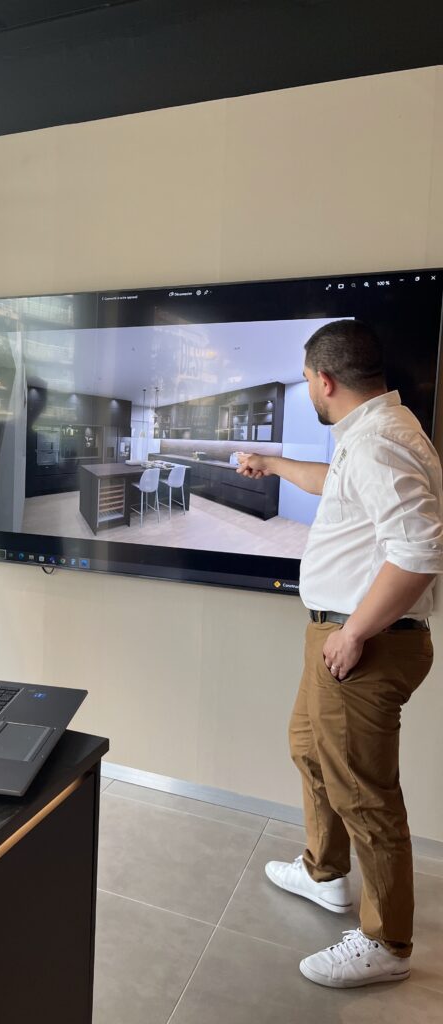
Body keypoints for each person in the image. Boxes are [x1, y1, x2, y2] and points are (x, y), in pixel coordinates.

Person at [236, 319, 443, 989]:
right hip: (340, 636)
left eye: (306, 383)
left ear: (325, 380)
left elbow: (419, 552)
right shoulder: (370, 435)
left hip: (366, 644)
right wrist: (270, 465)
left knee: (365, 792)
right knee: (308, 745)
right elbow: (335, 483)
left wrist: (354, 634)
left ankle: (388, 944)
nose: (308, 392)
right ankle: (326, 874)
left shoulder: (382, 442)